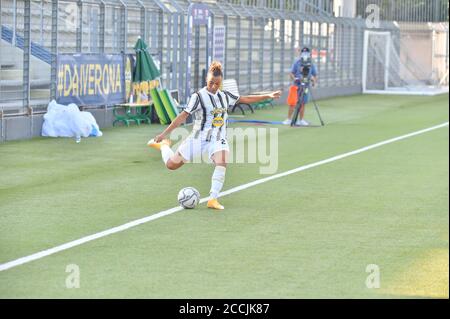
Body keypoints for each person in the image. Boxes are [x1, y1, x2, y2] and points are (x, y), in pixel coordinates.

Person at [147, 61, 281, 210]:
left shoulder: (225, 96)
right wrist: (164, 134)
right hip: (198, 138)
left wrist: (268, 95)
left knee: (222, 161)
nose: (214, 86)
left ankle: (213, 199)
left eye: (217, 84)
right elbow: (182, 117)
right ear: (206, 80)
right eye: (211, 83)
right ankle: (164, 146)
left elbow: (246, 99)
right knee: (171, 165)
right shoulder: (198, 97)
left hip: (218, 139)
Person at [283, 47, 318, 126]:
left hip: (306, 86)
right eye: (303, 53)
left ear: (309, 54)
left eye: (307, 53)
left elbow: (315, 75)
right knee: (293, 103)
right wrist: (295, 78)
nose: (305, 55)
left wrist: (313, 81)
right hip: (297, 85)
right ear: (301, 53)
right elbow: (291, 73)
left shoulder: (311, 63)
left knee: (303, 103)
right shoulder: (297, 62)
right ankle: (288, 119)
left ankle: (301, 120)